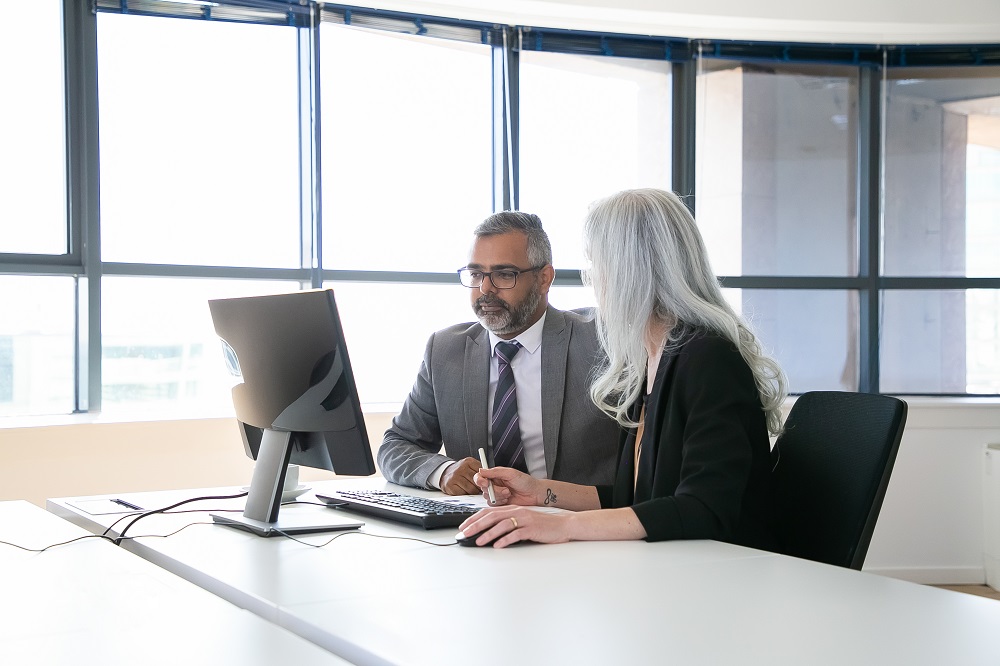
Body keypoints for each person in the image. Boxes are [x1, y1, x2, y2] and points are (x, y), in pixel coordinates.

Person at [460, 188, 787, 548]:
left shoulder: (708, 359)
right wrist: (541, 493)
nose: (593, 278)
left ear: (630, 270)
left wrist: (562, 527)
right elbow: (635, 497)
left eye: (597, 263)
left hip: (722, 573)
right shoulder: (648, 358)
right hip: (673, 568)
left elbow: (703, 509)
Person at [377, 211, 621, 495]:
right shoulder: (445, 351)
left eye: (505, 274)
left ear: (544, 279)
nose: (485, 289)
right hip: (483, 525)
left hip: (582, 525)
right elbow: (396, 445)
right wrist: (441, 471)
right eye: (476, 273)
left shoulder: (601, 340)